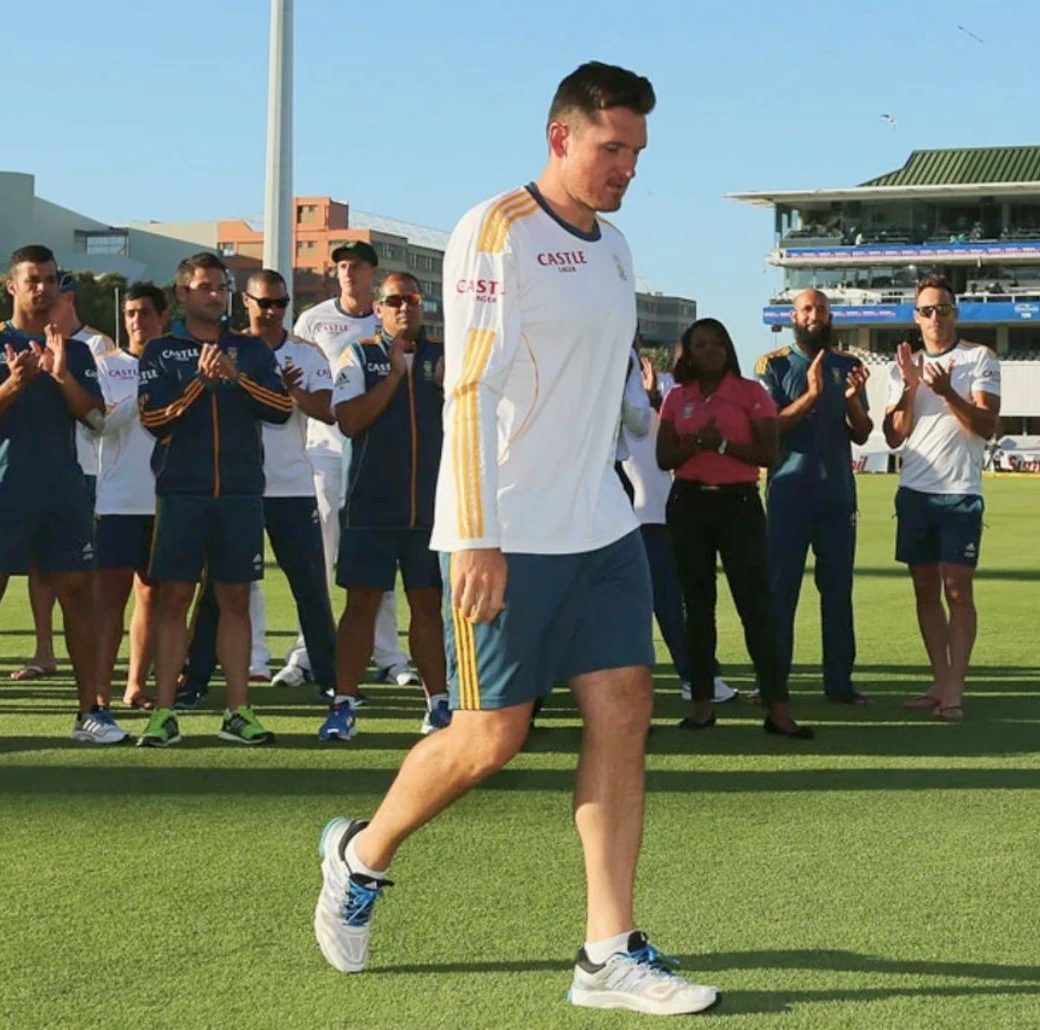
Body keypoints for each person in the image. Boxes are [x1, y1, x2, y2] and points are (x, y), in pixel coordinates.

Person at [311, 63, 720, 1016]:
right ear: (559, 137)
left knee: (625, 709)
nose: (625, 168)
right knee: (492, 735)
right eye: (610, 147)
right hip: (503, 530)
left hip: (600, 525)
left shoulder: (616, 247)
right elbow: (472, 388)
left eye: (636, 152)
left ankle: (607, 951)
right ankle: (358, 857)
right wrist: (479, 536)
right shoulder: (497, 231)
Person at [0, 245, 120, 745]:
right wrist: (13, 383)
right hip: (5, 491)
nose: (43, 288)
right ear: (12, 285)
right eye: (33, 279)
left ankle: (91, 714)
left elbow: (94, 417)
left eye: (51, 279)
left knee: (79, 599)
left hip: (64, 493)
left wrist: (59, 374)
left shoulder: (75, 349)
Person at [134, 252, 293, 746]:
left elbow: (283, 409)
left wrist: (236, 378)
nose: (215, 294)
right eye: (205, 286)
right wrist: (199, 385)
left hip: (241, 493)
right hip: (182, 492)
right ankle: (163, 713)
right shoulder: (161, 351)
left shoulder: (251, 350)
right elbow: (154, 420)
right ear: (182, 294)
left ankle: (238, 711)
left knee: (235, 600)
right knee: (173, 599)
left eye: (221, 287)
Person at [182, 269, 337, 708]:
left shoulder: (306, 354)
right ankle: (195, 681)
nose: (271, 312)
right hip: (235, 486)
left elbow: (328, 412)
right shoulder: (224, 349)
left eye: (280, 304)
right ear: (244, 302)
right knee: (216, 590)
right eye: (264, 303)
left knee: (309, 586)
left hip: (290, 486)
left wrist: (291, 395)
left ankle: (330, 678)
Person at [657, 319, 812, 740]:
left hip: (738, 505)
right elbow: (664, 457)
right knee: (697, 608)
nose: (708, 352)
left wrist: (722, 445)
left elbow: (767, 452)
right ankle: (703, 706)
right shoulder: (676, 397)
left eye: (716, 344)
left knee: (755, 607)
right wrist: (695, 445)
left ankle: (778, 708)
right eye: (699, 345)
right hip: (688, 503)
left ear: (728, 349)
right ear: (686, 353)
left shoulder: (750, 394)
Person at [319, 272, 449, 742]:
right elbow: (348, 420)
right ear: (378, 309)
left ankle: (438, 704)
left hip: (432, 509)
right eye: (393, 300)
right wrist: (395, 375)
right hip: (371, 505)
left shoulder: (443, 357)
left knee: (428, 607)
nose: (403, 308)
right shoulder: (360, 355)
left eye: (412, 299)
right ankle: (343, 704)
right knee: (361, 606)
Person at [285, 241, 417, 691]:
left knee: (378, 560)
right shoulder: (312, 319)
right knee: (319, 558)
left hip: (377, 458)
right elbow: (298, 379)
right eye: (340, 265)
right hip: (325, 452)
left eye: (355, 266)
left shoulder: (390, 321)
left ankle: (389, 654)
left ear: (371, 274)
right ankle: (308, 651)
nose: (346, 272)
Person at [884, 275, 1001, 721]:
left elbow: (985, 425)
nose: (936, 317)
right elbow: (894, 436)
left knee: (958, 591)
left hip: (959, 492)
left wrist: (948, 391)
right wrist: (912, 386)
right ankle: (938, 681)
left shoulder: (979, 358)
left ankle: (954, 689)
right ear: (916, 317)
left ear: (955, 312)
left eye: (944, 309)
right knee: (924, 590)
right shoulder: (903, 364)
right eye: (927, 310)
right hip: (915, 491)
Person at [756, 289, 873, 704]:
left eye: (821, 309)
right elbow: (769, 427)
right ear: (793, 315)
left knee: (837, 591)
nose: (814, 315)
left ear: (829, 316)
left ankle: (839, 683)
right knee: (779, 591)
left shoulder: (850, 366)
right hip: (788, 494)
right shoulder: (774, 365)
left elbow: (862, 432)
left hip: (837, 495)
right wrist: (809, 395)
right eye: (807, 308)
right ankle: (773, 683)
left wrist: (852, 405)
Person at [618, 345, 737, 704]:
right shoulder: (599, 380)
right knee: (644, 606)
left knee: (671, 602)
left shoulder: (671, 391)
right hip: (622, 513)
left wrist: (653, 396)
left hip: (656, 512)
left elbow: (660, 432)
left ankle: (696, 677)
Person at [13, 273, 115, 682]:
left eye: (57, 290)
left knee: (78, 573)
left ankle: (88, 664)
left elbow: (99, 413)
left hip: (85, 468)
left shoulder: (94, 345)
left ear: (68, 298)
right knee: (39, 568)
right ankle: (44, 650)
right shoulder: (23, 340)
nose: (47, 297)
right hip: (40, 472)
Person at [91, 283, 167, 711]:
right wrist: (137, 401)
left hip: (163, 500)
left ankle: (136, 684)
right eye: (131, 313)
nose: (137, 320)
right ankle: (98, 689)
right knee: (109, 602)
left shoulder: (176, 362)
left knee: (153, 596)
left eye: (144, 313)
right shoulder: (107, 365)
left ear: (161, 317)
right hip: (116, 500)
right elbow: (96, 422)